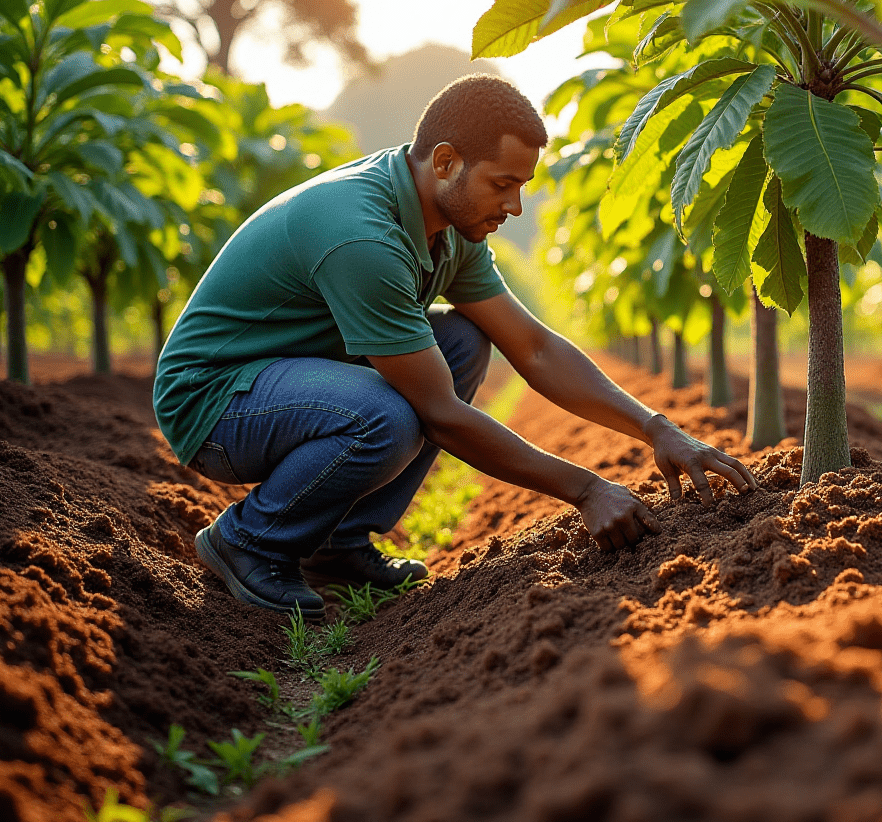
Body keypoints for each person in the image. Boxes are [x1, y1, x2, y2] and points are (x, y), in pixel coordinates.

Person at [153, 74, 755, 616]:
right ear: (444, 162)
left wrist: (656, 428)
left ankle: (335, 545)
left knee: (464, 339)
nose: (514, 206)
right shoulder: (362, 236)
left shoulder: (450, 227)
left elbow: (536, 349)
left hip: (287, 379)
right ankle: (248, 541)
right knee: (387, 415)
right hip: (215, 400)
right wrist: (587, 488)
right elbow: (440, 417)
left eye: (521, 187)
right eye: (502, 184)